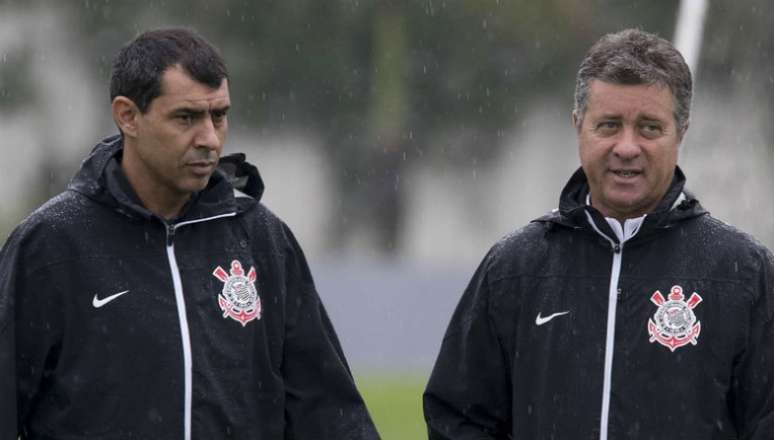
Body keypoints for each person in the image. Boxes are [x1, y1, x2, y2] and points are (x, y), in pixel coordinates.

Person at [0, 28, 380, 439]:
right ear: (128, 115)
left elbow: (327, 411)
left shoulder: (262, 238)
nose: (209, 139)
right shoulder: (52, 245)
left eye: (219, 115)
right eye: (186, 118)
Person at [423, 28, 774, 440]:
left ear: (681, 133)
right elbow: (459, 419)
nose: (627, 147)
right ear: (578, 126)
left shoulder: (741, 273)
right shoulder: (515, 270)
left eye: (649, 128)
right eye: (609, 125)